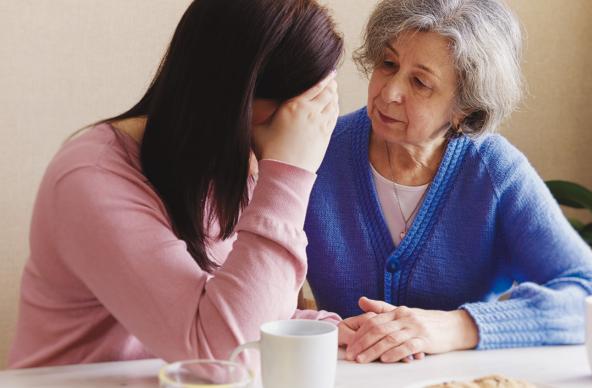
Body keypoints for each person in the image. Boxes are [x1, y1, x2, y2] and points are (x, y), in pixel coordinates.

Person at [9, 0, 343, 368]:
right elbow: (224, 355)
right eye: (292, 111)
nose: (296, 128)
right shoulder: (89, 178)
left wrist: (340, 330)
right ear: (231, 95)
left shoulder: (227, 166)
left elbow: (241, 309)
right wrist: (287, 174)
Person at [304, 0, 592, 364]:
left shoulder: (495, 172)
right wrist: (318, 323)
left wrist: (456, 326)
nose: (389, 92)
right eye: (388, 64)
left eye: (420, 82)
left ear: (465, 108)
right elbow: (238, 282)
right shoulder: (317, 151)